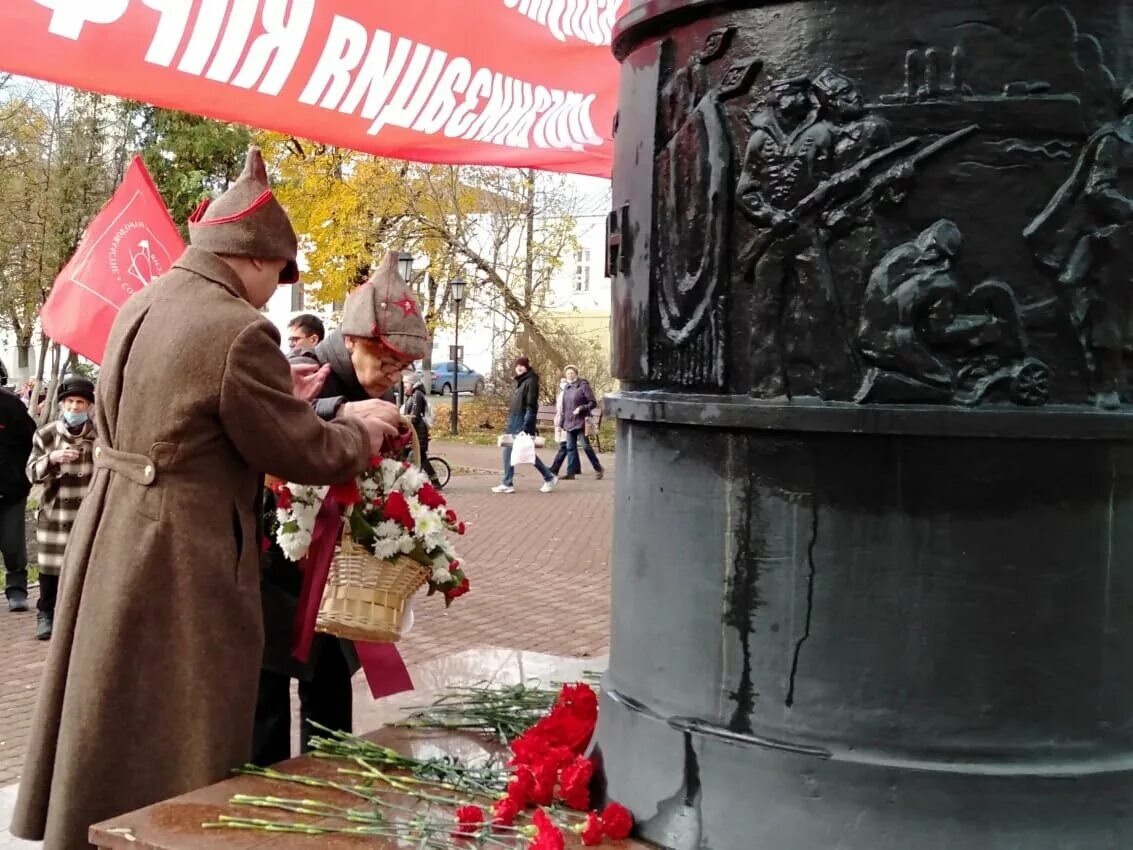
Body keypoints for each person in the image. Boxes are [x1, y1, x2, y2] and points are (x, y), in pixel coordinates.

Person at [12, 147, 400, 850]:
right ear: (252, 259)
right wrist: (359, 433)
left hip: (113, 526)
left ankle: (90, 822)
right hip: (183, 543)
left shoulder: (144, 300)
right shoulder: (235, 328)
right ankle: (172, 831)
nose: (276, 294)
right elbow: (294, 450)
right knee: (187, 712)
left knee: (112, 700)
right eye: (277, 276)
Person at [253, 251, 430, 766]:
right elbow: (271, 412)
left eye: (403, 367)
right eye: (385, 361)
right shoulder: (303, 371)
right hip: (276, 568)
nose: (392, 376)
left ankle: (329, 786)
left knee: (330, 697)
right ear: (352, 341)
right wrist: (342, 410)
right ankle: (253, 803)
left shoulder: (376, 386)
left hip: (341, 576)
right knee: (264, 698)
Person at [25, 375, 97, 641]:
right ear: (62, 404)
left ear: (89, 406)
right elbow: (31, 472)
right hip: (55, 513)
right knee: (51, 569)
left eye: (80, 402)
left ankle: (81, 617)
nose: (75, 408)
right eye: (70, 402)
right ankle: (46, 613)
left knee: (86, 567)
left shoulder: (100, 435)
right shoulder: (47, 434)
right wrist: (52, 459)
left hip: (88, 512)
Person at [493, 357, 557, 494]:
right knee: (508, 450)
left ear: (527, 367)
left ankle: (549, 477)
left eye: (522, 365)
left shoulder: (531, 381)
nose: (519, 368)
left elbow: (531, 405)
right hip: (515, 418)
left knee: (526, 451)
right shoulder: (521, 381)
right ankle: (507, 483)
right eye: (517, 366)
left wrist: (526, 424)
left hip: (522, 419)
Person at [0, 361, 34, 613]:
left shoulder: (11, 407)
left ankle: (17, 589)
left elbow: (32, 442)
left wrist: (19, 474)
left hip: (11, 491)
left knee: (12, 544)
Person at [558, 365, 603, 480]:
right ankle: (570, 473)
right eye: (568, 374)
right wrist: (561, 424)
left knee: (586, 446)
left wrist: (581, 408)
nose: (570, 375)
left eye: (572, 373)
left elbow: (592, 403)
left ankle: (598, 468)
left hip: (581, 422)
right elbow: (564, 408)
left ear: (576, 374)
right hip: (569, 423)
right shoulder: (567, 388)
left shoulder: (583, 386)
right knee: (570, 448)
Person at [404, 378, 441, 487]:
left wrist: (405, 421)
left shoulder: (417, 395)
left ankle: (434, 481)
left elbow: (414, 416)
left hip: (419, 431)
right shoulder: (412, 396)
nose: (405, 388)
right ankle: (409, 479)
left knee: (420, 456)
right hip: (415, 430)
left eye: (406, 385)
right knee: (409, 454)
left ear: (412, 384)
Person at [548, 376, 580, 478]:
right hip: (564, 421)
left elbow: (563, 410)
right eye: (561, 381)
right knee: (570, 445)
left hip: (566, 422)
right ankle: (576, 467)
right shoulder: (563, 393)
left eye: (564, 381)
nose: (562, 383)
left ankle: (555, 468)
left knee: (565, 446)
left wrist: (560, 424)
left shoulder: (567, 393)